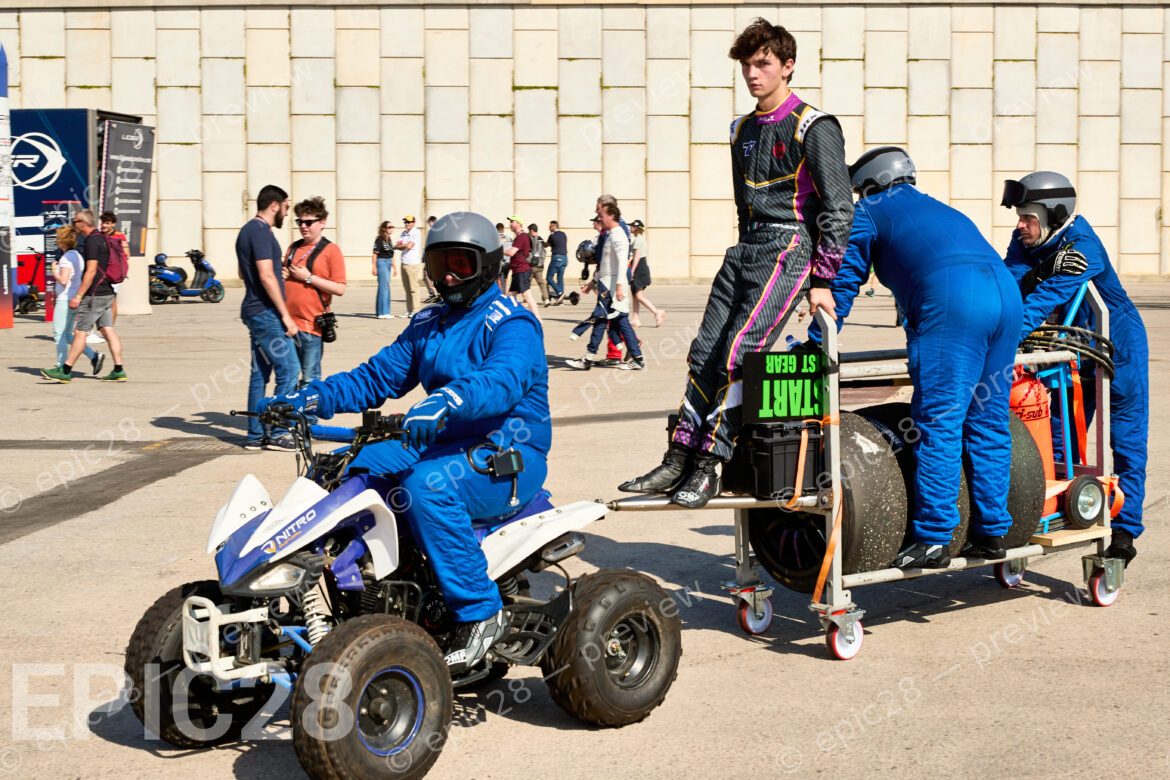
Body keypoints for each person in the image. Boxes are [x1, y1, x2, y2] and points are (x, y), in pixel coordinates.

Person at [260, 211, 549, 674]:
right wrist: (313, 397)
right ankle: (340, 593)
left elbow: (502, 380)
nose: (448, 276)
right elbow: (378, 376)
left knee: (428, 484)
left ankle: (480, 612)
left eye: (461, 264)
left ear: (489, 266)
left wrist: (448, 400)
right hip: (439, 440)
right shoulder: (430, 320)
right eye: (438, 266)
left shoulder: (512, 323)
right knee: (341, 470)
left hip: (506, 455)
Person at [620, 18, 853, 508]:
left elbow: (838, 206)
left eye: (763, 63)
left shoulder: (815, 125)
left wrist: (823, 278)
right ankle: (679, 456)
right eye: (747, 65)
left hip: (788, 248)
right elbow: (741, 202)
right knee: (704, 352)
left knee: (738, 351)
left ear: (787, 66)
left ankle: (710, 463)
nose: (752, 73)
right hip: (744, 247)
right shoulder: (740, 129)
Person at [808, 148, 1024, 569]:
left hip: (953, 299)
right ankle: (994, 533)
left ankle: (934, 537)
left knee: (939, 420)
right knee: (988, 418)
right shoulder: (944, 210)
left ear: (868, 185)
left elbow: (845, 282)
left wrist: (817, 341)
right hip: (1004, 297)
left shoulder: (869, 211)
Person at [1000, 171, 1149, 567]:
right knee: (1060, 438)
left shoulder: (1082, 245)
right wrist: (1039, 270)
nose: (1020, 225)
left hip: (1119, 346)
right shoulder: (1026, 241)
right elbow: (1012, 286)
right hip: (1069, 348)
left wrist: (1001, 342)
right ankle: (1058, 509)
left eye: (1027, 216)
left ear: (1054, 214)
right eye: (1019, 216)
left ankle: (1124, 531)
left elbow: (1035, 304)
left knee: (1126, 439)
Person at [237, 184, 300, 451]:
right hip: (265, 314)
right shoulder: (262, 232)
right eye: (286, 207)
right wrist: (285, 315)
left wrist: (277, 272)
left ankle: (254, 436)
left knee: (259, 374)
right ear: (274, 205)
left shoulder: (246, 231)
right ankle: (277, 433)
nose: (287, 212)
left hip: (253, 309)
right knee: (289, 369)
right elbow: (264, 275)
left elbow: (243, 274)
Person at [41, 210, 127, 383]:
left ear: (83, 223)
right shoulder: (102, 237)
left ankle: (65, 370)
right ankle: (119, 370)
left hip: (94, 294)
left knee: (80, 332)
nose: (74, 225)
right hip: (107, 291)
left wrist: (79, 295)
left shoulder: (92, 241)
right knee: (107, 330)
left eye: (75, 222)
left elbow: (91, 271)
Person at [566, 200, 644, 371]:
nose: (599, 219)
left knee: (601, 319)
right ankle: (636, 357)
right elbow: (606, 264)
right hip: (605, 284)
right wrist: (593, 282)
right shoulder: (610, 234)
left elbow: (623, 262)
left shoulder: (618, 235)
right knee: (610, 321)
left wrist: (618, 286)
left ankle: (588, 358)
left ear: (611, 216)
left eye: (601, 215)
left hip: (611, 286)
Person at [282, 196, 347, 387]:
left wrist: (308, 277)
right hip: (287, 325)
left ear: (322, 223)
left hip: (312, 327)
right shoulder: (293, 248)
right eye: (300, 222)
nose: (303, 226)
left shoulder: (331, 251)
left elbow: (339, 288)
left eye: (308, 222)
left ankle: (310, 418)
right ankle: (292, 416)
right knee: (288, 378)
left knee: (310, 379)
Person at [47, 226, 102, 375]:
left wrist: (54, 272)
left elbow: (63, 281)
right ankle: (94, 356)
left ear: (61, 241)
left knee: (59, 334)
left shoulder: (65, 258)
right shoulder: (77, 255)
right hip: (74, 299)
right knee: (68, 335)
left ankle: (60, 366)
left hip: (65, 299)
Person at [627, 219, 665, 328]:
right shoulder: (639, 239)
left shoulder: (638, 240)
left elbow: (637, 257)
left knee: (638, 295)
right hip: (640, 267)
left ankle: (656, 312)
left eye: (632, 226)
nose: (630, 227)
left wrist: (632, 272)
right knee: (635, 295)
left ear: (637, 228)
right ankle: (635, 319)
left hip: (639, 268)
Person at [504, 216, 542, 323]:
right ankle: (511, 318)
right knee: (511, 296)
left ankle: (538, 318)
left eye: (512, 221)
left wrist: (500, 250)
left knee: (526, 295)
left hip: (522, 270)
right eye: (510, 222)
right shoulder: (519, 237)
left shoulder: (521, 237)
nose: (510, 224)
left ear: (519, 224)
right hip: (517, 270)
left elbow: (511, 253)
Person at [99, 211, 130, 325]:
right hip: (101, 272)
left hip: (112, 273)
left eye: (107, 223)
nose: (104, 225)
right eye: (103, 222)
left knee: (112, 301)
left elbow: (127, 255)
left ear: (113, 224)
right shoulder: (100, 235)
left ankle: (110, 326)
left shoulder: (119, 237)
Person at [395, 215, 424, 316]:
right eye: (405, 222)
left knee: (413, 288)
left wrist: (402, 246)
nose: (406, 224)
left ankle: (416, 310)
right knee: (407, 288)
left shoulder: (416, 232)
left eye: (408, 222)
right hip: (404, 262)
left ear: (413, 222)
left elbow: (409, 246)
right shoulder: (403, 233)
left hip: (412, 264)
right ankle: (409, 309)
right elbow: (396, 245)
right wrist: (403, 246)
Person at [372, 220, 396, 319]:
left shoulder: (389, 239)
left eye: (392, 227)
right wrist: (374, 266)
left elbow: (392, 254)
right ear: (384, 229)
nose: (391, 229)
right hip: (381, 262)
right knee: (384, 287)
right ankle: (384, 312)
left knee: (384, 287)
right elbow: (374, 254)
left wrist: (394, 267)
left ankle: (380, 311)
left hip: (388, 262)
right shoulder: (379, 239)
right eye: (389, 227)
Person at [546, 220, 569, 304]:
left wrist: (540, 241)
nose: (549, 228)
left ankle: (560, 293)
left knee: (549, 278)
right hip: (565, 258)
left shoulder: (552, 236)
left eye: (550, 226)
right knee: (560, 278)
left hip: (557, 258)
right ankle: (560, 300)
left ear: (554, 226)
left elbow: (546, 245)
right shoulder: (563, 234)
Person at [528, 223, 551, 305]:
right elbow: (544, 252)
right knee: (541, 283)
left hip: (531, 265)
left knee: (527, 283)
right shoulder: (541, 239)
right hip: (540, 266)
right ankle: (546, 299)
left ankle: (527, 300)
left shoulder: (529, 239)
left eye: (529, 231)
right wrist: (541, 262)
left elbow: (529, 252)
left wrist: (529, 260)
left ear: (531, 230)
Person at [495, 222, 511, 291]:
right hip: (507, 262)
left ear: (496, 229)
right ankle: (503, 293)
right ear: (503, 229)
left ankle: (499, 294)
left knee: (496, 280)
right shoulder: (509, 238)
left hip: (499, 262)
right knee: (504, 280)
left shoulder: (495, 238)